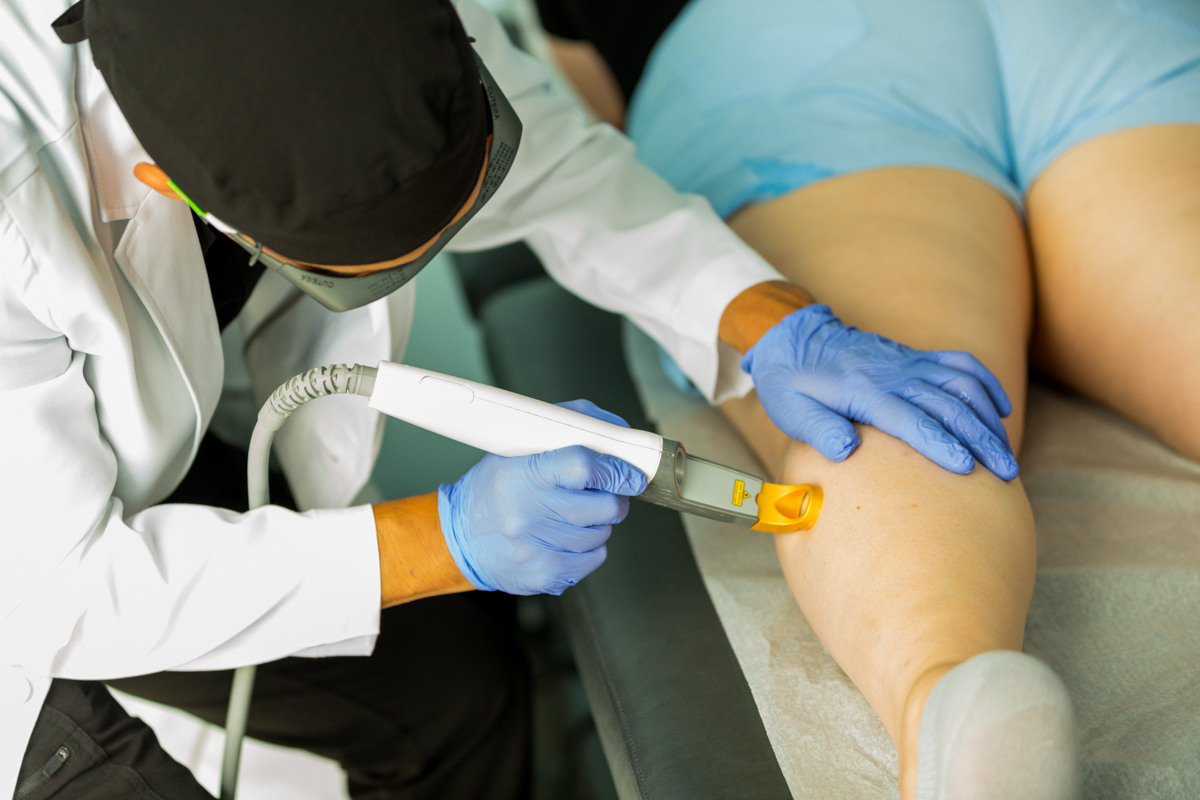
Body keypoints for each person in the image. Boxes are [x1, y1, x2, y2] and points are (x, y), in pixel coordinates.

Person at [0, 0, 1018, 797]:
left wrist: (772, 321)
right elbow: (65, 592)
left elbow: (554, 167)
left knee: (456, 686)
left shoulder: (352, 28)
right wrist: (449, 538)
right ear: (170, 187)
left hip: (108, 458)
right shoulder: (17, 192)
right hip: (31, 585)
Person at [535, 0, 1200, 797]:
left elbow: (586, 123)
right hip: (1113, 33)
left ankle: (954, 694)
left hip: (784, 54)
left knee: (881, 411)